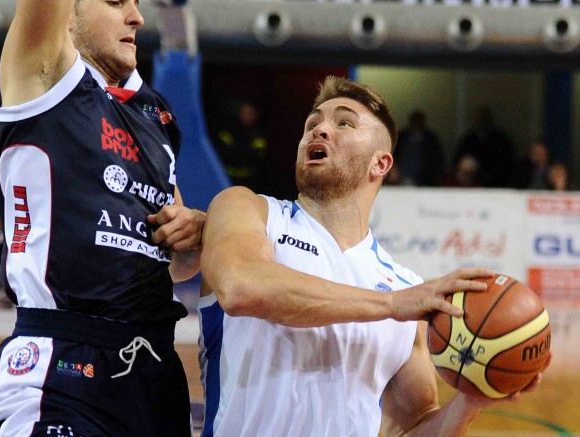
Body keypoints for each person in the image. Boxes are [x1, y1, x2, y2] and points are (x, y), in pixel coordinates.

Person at [197, 76, 549, 437]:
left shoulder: (405, 286)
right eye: (312, 123)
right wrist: (392, 305)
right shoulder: (248, 209)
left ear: (380, 164)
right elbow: (241, 287)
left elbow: (411, 428)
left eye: (344, 123)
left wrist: (469, 402)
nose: (320, 129)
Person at [0, 1, 204, 436]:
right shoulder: (43, 78)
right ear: (68, 15)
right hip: (61, 366)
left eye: (137, 4)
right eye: (115, 2)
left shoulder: (155, 114)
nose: (137, 17)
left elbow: (175, 265)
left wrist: (193, 235)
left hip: (155, 372)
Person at [214, 100, 269, 192]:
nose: (248, 116)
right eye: (245, 113)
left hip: (249, 181)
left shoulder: (259, 134)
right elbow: (224, 152)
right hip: (227, 177)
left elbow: (256, 157)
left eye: (251, 113)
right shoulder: (228, 130)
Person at [453, 106, 515, 188]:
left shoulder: (501, 140)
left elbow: (508, 163)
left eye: (484, 118)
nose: (481, 121)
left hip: (496, 183)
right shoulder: (468, 139)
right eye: (479, 118)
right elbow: (458, 162)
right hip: (471, 184)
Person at [393, 110, 445, 186]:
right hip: (399, 181)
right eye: (415, 122)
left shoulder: (431, 140)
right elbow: (393, 154)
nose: (416, 125)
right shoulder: (401, 137)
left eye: (419, 122)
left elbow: (438, 161)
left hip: (425, 182)